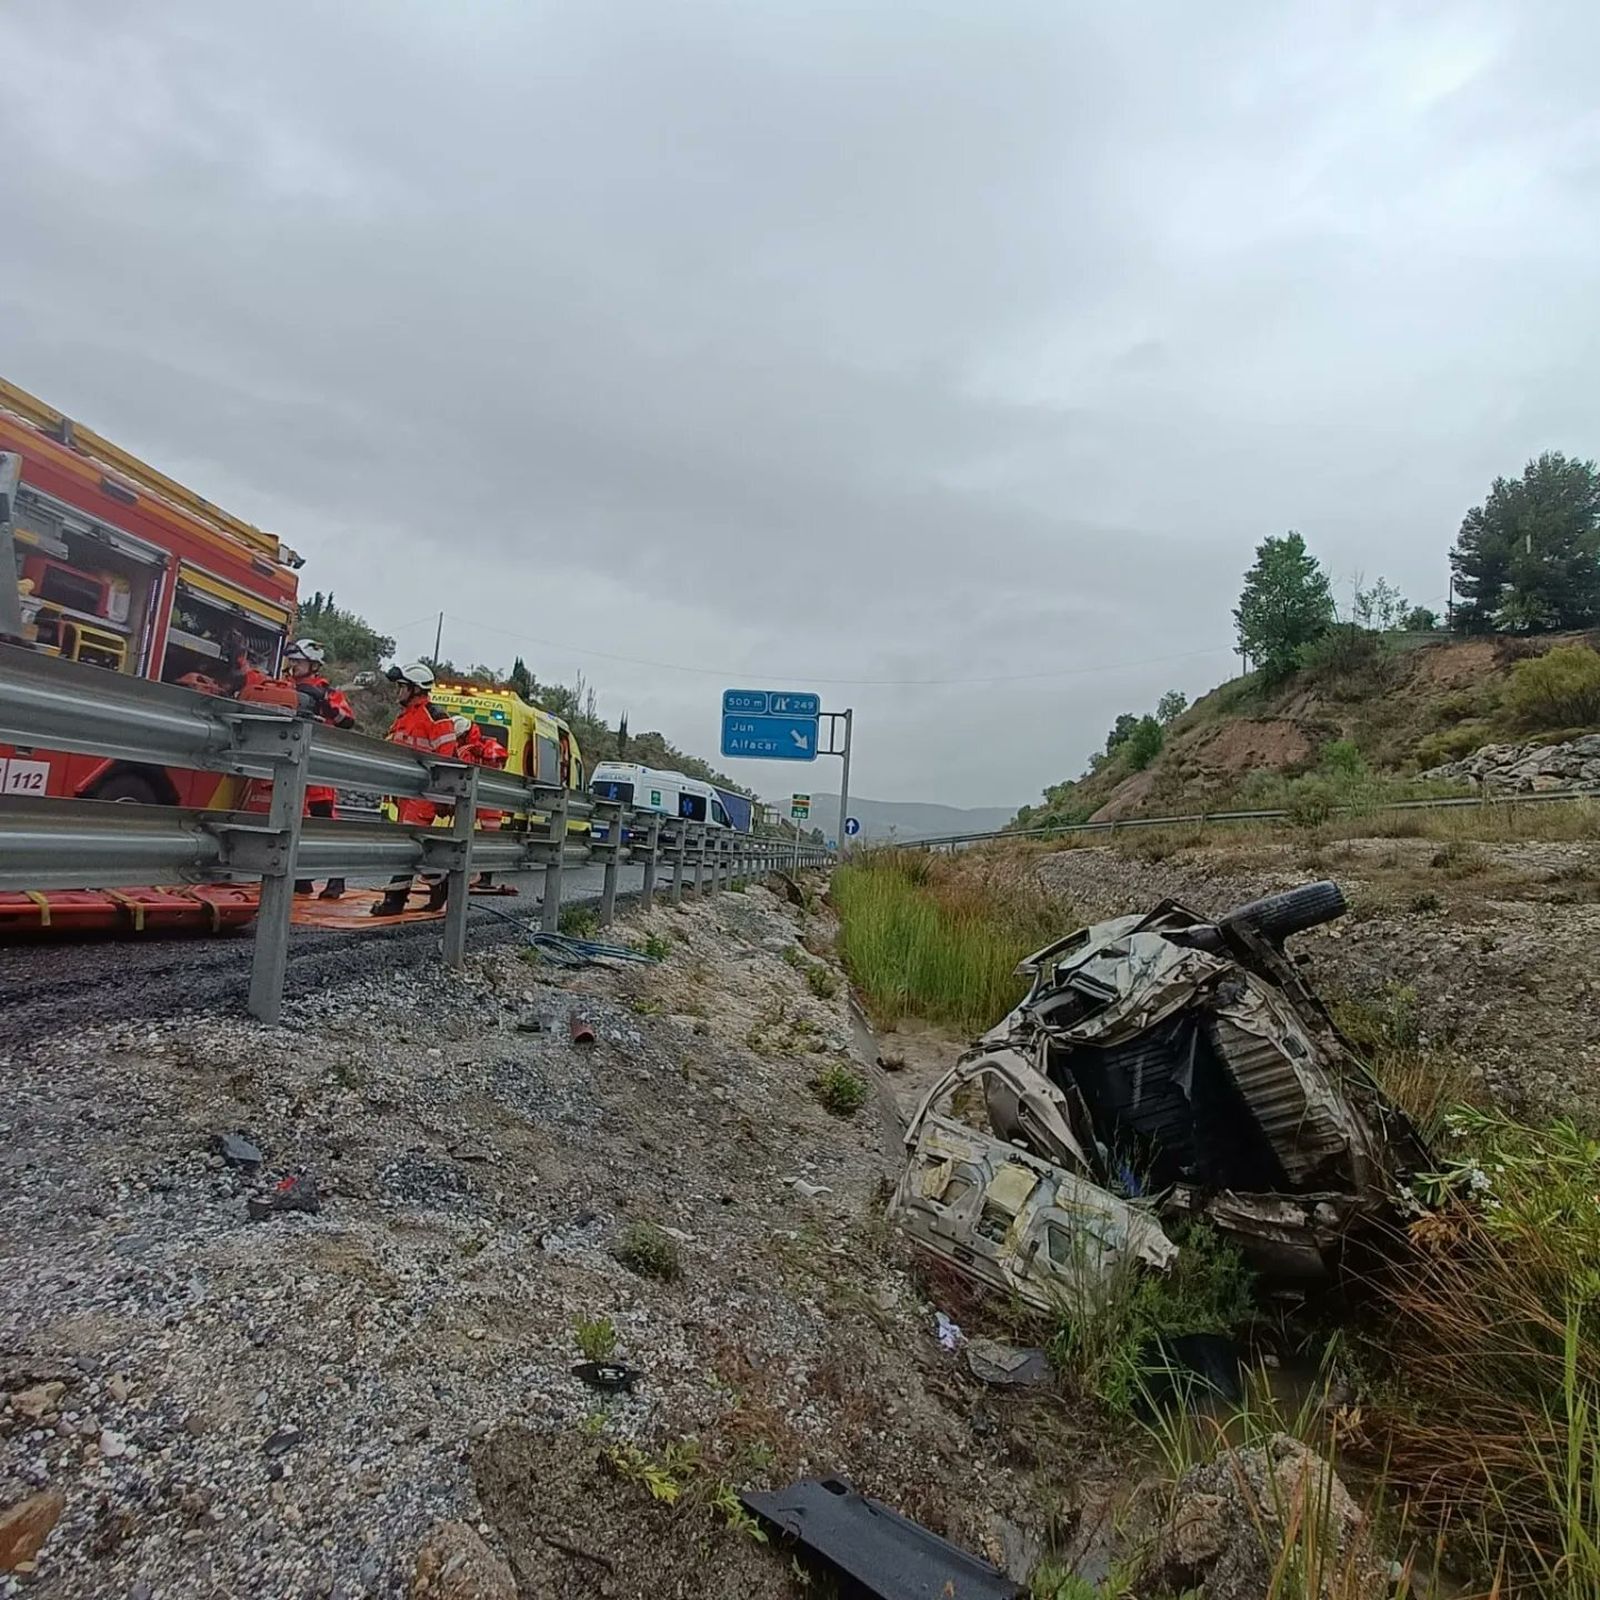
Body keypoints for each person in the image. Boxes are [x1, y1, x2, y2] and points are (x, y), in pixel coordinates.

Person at [370, 662, 457, 917]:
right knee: (418, 847)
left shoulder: (436, 717)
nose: (398, 691)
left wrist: (441, 795)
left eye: (402, 687)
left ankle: (394, 901)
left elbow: (446, 758)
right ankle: (441, 885)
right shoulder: (404, 717)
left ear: (416, 689)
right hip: (405, 793)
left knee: (405, 846)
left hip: (424, 794)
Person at [283, 639, 357, 899]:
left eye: (298, 661)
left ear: (313, 664)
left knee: (324, 823)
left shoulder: (327, 691)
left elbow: (347, 721)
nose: (293, 666)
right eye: (292, 661)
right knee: (293, 821)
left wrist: (325, 703)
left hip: (318, 765)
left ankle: (337, 878)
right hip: (290, 763)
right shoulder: (284, 686)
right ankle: (301, 878)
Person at [451, 715, 509, 890]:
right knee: (466, 837)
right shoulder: (467, 748)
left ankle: (485, 878)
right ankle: (465, 873)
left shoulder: (486, 748)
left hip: (489, 801)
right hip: (476, 799)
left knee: (487, 841)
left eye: (460, 737)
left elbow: (497, 763)